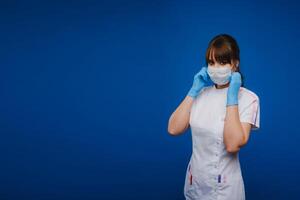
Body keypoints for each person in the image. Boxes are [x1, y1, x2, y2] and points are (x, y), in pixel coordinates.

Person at [167, 34, 260, 200]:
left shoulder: (248, 98)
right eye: (211, 62)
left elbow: (232, 145)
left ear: (235, 64)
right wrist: (193, 91)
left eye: (223, 62)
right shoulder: (201, 94)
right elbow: (173, 129)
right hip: (195, 183)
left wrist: (232, 98)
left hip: (224, 190)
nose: (216, 67)